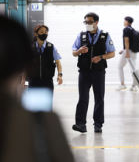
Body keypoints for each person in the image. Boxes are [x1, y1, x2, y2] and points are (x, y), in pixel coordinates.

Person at [0, 15, 74, 162]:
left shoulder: (51, 47)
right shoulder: (41, 123)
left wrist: (59, 74)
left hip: (45, 80)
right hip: (35, 82)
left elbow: (57, 61)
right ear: (23, 62)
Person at [72, 12, 115, 133]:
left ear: (96, 22)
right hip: (84, 72)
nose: (88, 24)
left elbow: (112, 53)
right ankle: (80, 124)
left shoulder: (105, 36)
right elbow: (73, 52)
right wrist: (79, 51)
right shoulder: (81, 36)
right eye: (86, 22)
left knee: (99, 98)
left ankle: (98, 124)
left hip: (98, 72)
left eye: (90, 22)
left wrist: (101, 57)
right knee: (83, 98)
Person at [27, 25, 63, 95]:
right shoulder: (30, 47)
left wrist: (60, 75)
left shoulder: (51, 47)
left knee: (46, 104)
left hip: (47, 81)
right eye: (42, 32)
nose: (44, 34)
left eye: (46, 32)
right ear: (36, 34)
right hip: (33, 81)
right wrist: (23, 80)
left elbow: (58, 62)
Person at [117, 16, 139, 91]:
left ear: (127, 22)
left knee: (120, 66)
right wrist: (123, 50)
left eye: (124, 21)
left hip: (128, 51)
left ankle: (122, 85)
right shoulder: (133, 30)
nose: (124, 22)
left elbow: (127, 41)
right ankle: (134, 86)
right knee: (133, 69)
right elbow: (131, 42)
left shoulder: (126, 29)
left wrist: (126, 52)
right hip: (134, 51)